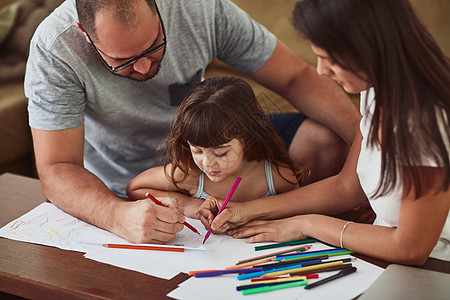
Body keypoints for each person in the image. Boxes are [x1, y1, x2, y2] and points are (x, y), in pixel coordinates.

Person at [25, 0, 359, 244]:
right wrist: (116, 215)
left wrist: (375, 143)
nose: (142, 69)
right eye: (121, 61)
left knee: (324, 141)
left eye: (153, 48)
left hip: (216, 132)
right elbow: (56, 167)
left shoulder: (200, 8)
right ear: (84, 34)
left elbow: (296, 77)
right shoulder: (55, 48)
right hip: (133, 177)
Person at [199, 0, 450, 264]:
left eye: (330, 59)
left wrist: (308, 225)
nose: (321, 70)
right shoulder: (378, 89)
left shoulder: (425, 120)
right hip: (384, 254)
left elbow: (411, 249)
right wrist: (247, 210)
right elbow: (347, 187)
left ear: (370, 46)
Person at [126, 77, 307, 220]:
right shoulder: (189, 174)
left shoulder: (277, 176)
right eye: (197, 151)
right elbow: (136, 188)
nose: (207, 163)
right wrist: (190, 206)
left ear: (248, 138)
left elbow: (299, 207)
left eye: (221, 153)